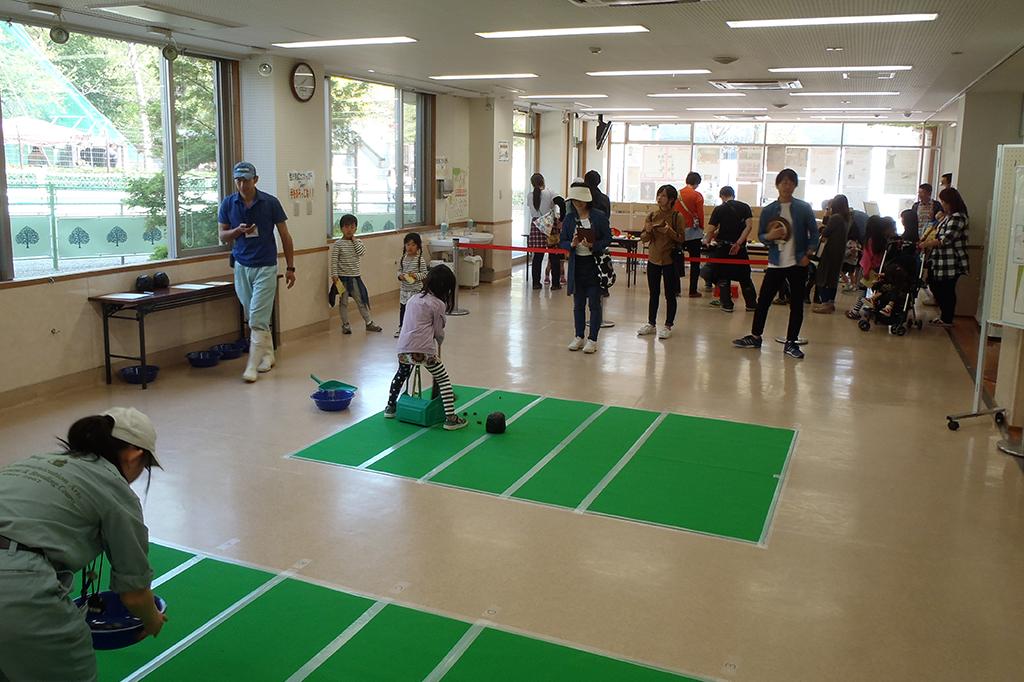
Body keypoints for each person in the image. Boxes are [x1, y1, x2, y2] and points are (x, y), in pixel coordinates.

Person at [0, 408, 166, 681]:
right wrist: (151, 620)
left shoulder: (38, 460)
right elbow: (134, 594)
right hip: (14, 589)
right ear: (135, 454)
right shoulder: (116, 491)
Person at [218, 161, 295, 383]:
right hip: (241, 266)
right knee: (252, 315)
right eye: (238, 180)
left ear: (256, 180)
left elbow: (285, 236)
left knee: (258, 319)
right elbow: (222, 236)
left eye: (247, 180)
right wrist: (237, 231)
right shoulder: (228, 203)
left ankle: (251, 367)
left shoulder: (270, 203)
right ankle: (268, 355)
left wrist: (290, 267)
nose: (242, 184)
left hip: (266, 266)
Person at [733, 168, 819, 359]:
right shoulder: (769, 210)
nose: (786, 185)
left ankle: (791, 342)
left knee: (796, 304)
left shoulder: (804, 208)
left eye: (790, 182)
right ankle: (756, 336)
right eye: (783, 182)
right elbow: (762, 236)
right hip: (776, 263)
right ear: (777, 185)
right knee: (763, 301)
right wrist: (770, 236)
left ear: (795, 185)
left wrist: (808, 254)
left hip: (797, 263)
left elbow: (815, 234)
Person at [384, 266, 468, 430]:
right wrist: (440, 340)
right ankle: (450, 418)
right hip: (423, 350)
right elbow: (438, 331)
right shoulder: (438, 304)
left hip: (403, 347)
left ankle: (390, 407)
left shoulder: (413, 299)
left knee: (401, 374)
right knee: (443, 379)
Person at [561, 181, 612, 354]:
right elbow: (562, 241)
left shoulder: (598, 216)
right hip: (577, 265)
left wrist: (593, 244)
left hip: (594, 265)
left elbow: (608, 238)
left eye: (580, 200)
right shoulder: (569, 219)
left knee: (594, 304)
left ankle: (593, 338)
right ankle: (579, 335)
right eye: (574, 200)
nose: (578, 204)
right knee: (578, 304)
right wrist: (572, 244)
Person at [638, 184, 684, 338]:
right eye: (658, 195)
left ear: (671, 199)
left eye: (663, 196)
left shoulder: (677, 216)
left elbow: (681, 238)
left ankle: (668, 325)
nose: (659, 198)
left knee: (670, 294)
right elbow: (643, 238)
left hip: (670, 260)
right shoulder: (651, 215)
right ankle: (651, 323)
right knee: (654, 293)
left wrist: (669, 231)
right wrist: (648, 230)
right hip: (654, 258)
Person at [920, 187, 970, 327]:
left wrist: (926, 244)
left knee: (946, 289)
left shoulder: (958, 217)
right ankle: (944, 315)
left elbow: (946, 239)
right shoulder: (948, 216)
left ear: (951, 202)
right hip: (940, 260)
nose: (942, 204)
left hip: (951, 261)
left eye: (944, 201)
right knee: (935, 285)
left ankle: (947, 318)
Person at [329, 214, 383, 336]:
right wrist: (334, 275)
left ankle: (369, 322)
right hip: (342, 279)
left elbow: (361, 253)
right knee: (343, 302)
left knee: (361, 300)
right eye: (346, 227)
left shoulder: (358, 242)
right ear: (341, 228)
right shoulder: (338, 244)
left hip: (355, 278)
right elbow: (334, 261)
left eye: (352, 227)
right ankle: (345, 324)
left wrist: (354, 240)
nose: (349, 229)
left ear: (356, 228)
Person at [706, 186, 757, 313]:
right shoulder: (745, 207)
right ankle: (751, 304)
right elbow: (749, 227)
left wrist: (706, 240)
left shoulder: (719, 209)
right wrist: (739, 243)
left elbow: (711, 230)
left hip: (723, 247)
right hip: (740, 248)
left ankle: (727, 304)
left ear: (722, 196)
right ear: (733, 195)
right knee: (745, 276)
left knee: (723, 276)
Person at [812, 194, 852, 314]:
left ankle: (825, 303)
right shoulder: (846, 218)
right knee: (833, 278)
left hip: (829, 252)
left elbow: (825, 231)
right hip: (839, 252)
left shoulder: (835, 218)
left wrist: (825, 217)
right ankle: (830, 303)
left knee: (824, 276)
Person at [846, 215, 890, 319]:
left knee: (862, 291)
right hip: (878, 269)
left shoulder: (869, 240)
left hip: (867, 269)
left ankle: (855, 311)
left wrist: (865, 271)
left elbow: (867, 257)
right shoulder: (883, 241)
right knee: (874, 291)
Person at [674, 172, 705, 297]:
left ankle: (676, 289)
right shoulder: (697, 196)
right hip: (693, 234)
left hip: (678, 232)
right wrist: (702, 227)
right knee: (695, 262)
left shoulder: (676, 194)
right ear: (697, 183)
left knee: (676, 260)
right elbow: (700, 214)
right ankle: (692, 290)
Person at [395, 232, 428, 338]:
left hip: (415, 290)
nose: (410, 247)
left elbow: (424, 274)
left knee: (415, 309)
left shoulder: (420, 260)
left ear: (418, 246)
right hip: (404, 289)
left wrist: (415, 276)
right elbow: (399, 270)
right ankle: (401, 328)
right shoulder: (403, 258)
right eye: (408, 244)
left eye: (413, 245)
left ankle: (415, 328)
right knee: (403, 308)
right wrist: (400, 276)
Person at [527, 173, 556, 290]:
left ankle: (536, 283)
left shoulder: (530, 195)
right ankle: (555, 283)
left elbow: (531, 209)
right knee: (553, 255)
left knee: (537, 257)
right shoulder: (549, 193)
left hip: (535, 224)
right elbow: (555, 204)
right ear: (543, 181)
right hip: (548, 223)